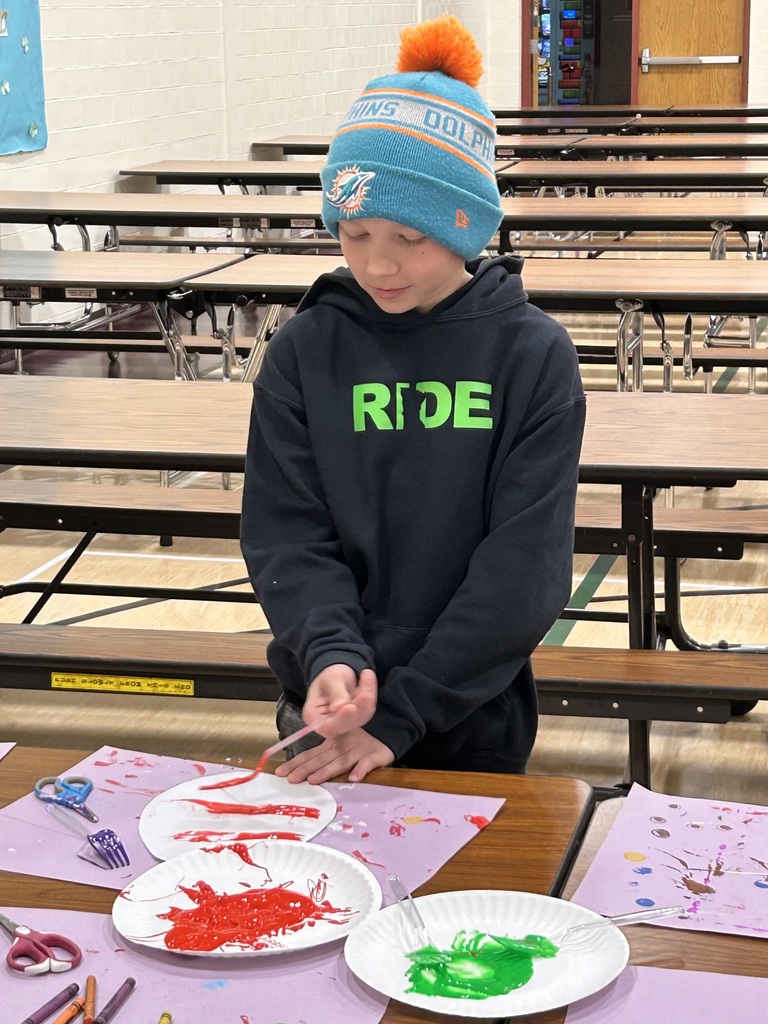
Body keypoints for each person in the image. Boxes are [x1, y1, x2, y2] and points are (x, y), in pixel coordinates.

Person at [240, 14, 586, 786]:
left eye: (410, 237)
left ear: (465, 227)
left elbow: (523, 570)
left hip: (467, 712)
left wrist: (404, 714)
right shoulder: (305, 351)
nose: (378, 264)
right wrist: (329, 654)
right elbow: (286, 532)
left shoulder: (532, 357)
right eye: (354, 233)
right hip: (324, 707)